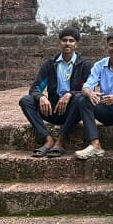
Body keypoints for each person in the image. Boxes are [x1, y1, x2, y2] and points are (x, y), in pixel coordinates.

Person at [18, 27, 91, 157]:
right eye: (64, 40)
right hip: (53, 108)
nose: (67, 43)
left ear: (76, 44)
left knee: (81, 99)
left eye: (71, 40)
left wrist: (70, 94)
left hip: (72, 111)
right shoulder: (50, 64)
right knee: (26, 101)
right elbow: (35, 88)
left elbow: (87, 89)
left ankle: (61, 140)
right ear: (60, 43)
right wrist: (41, 97)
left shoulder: (84, 65)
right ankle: (47, 139)